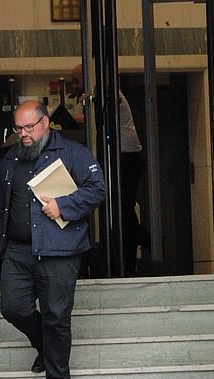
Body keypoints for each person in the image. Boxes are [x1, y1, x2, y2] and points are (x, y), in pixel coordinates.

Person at [0, 100, 106, 379]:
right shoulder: (10, 159)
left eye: (29, 127)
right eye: (19, 128)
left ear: (45, 123)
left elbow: (97, 189)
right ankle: (44, 346)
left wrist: (63, 206)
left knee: (56, 316)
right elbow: (0, 203)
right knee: (12, 307)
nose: (24, 134)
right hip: (17, 250)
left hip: (60, 250)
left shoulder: (73, 153)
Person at [70, 64, 146, 276]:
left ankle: (139, 241)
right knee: (123, 208)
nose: (75, 87)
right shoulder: (104, 95)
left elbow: (102, 122)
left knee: (122, 208)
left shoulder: (106, 94)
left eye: (76, 81)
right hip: (124, 156)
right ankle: (135, 244)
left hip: (125, 157)